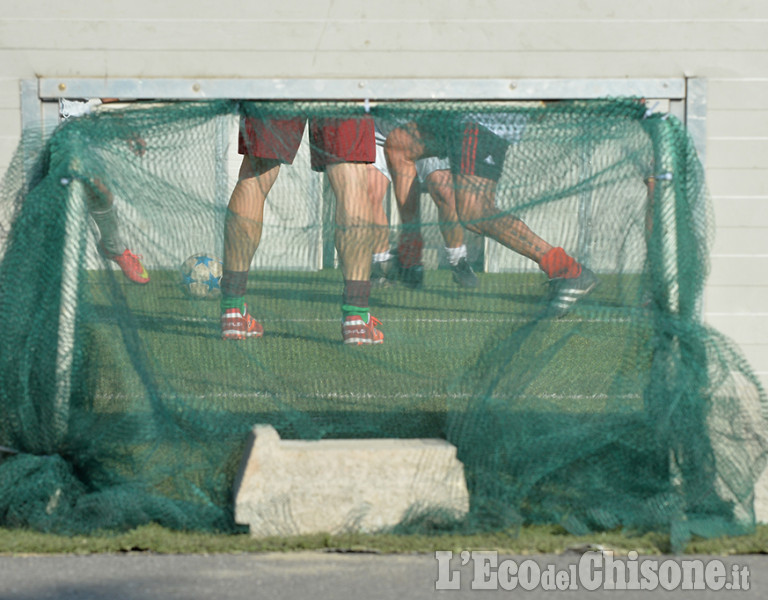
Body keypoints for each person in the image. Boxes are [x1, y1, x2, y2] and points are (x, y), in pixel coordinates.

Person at [383, 113, 598, 317]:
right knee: (398, 144)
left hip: (483, 118)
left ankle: (568, 270)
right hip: (459, 114)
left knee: (475, 211)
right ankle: (410, 252)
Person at [220, 111, 383, 345]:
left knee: (256, 173)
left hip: (280, 78)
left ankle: (232, 311)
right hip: (340, 78)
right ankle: (356, 317)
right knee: (351, 177)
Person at [368, 123, 477, 289]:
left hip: (421, 129)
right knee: (369, 193)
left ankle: (458, 260)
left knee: (445, 192)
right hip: (381, 132)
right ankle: (382, 264)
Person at [58, 98, 150, 284]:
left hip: (84, 131)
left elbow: (109, 96)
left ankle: (113, 247)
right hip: (52, 124)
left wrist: (128, 131)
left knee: (101, 189)